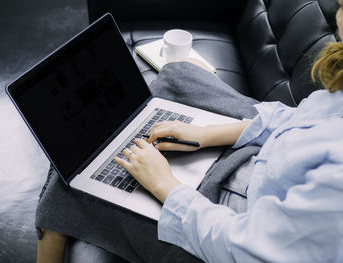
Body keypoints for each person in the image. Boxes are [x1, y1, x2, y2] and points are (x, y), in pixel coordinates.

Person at [37, 2, 343, 262]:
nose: (335, 7)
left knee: (75, 174)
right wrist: (206, 134)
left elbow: (248, 249)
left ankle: (52, 238)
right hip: (264, 164)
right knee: (178, 73)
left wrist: (164, 185)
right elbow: (294, 118)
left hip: (229, 224)